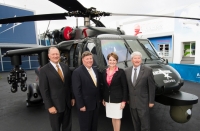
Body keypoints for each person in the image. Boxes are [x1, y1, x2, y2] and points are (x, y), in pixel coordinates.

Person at [39, 47, 75, 131]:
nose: (55, 56)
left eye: (57, 54)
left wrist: (72, 97)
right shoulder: (44, 70)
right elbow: (44, 90)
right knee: (56, 128)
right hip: (55, 105)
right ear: (49, 56)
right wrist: (49, 106)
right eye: (53, 54)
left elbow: (69, 84)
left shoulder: (65, 67)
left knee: (68, 127)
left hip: (67, 104)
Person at [124, 51, 155, 131]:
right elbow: (126, 86)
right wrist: (127, 98)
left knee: (145, 124)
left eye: (138, 58)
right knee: (135, 123)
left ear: (141, 59)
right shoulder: (127, 71)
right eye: (135, 58)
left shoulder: (148, 70)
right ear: (131, 60)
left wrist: (151, 101)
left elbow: (151, 87)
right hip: (132, 102)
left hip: (143, 102)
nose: (137, 60)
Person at [72, 51, 100, 131]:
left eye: (91, 58)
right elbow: (77, 90)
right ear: (83, 60)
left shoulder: (95, 70)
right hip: (85, 105)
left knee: (94, 126)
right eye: (87, 59)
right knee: (85, 127)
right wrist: (81, 105)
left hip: (95, 105)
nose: (89, 60)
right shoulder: (77, 72)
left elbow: (96, 87)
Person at [102, 52, 128, 131]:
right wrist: (104, 98)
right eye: (110, 60)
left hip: (118, 99)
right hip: (109, 99)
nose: (112, 62)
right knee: (113, 117)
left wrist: (124, 101)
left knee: (117, 117)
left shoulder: (121, 72)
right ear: (108, 61)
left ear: (116, 61)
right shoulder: (104, 72)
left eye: (114, 60)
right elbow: (104, 87)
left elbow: (124, 87)